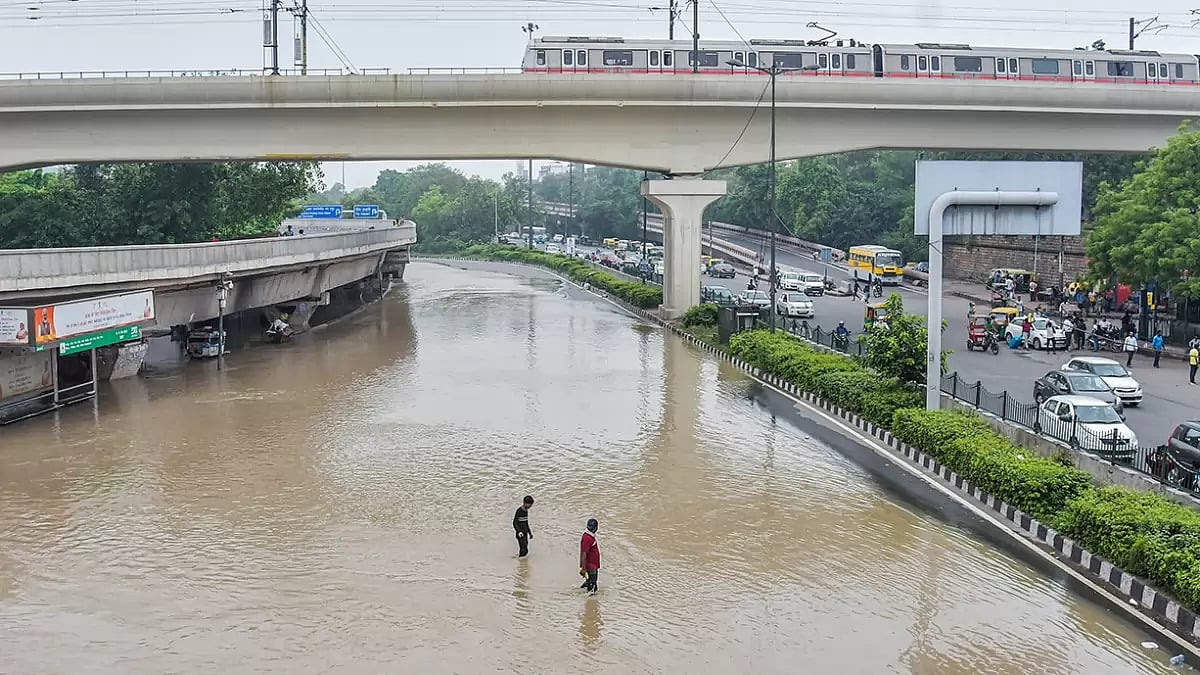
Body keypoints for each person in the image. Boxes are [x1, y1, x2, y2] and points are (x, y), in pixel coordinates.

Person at [579, 518, 600, 594]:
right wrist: (583, 569)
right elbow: (584, 554)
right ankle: (590, 604)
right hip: (591, 567)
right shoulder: (587, 538)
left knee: (591, 584)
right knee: (593, 588)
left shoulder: (589, 536)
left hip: (593, 566)